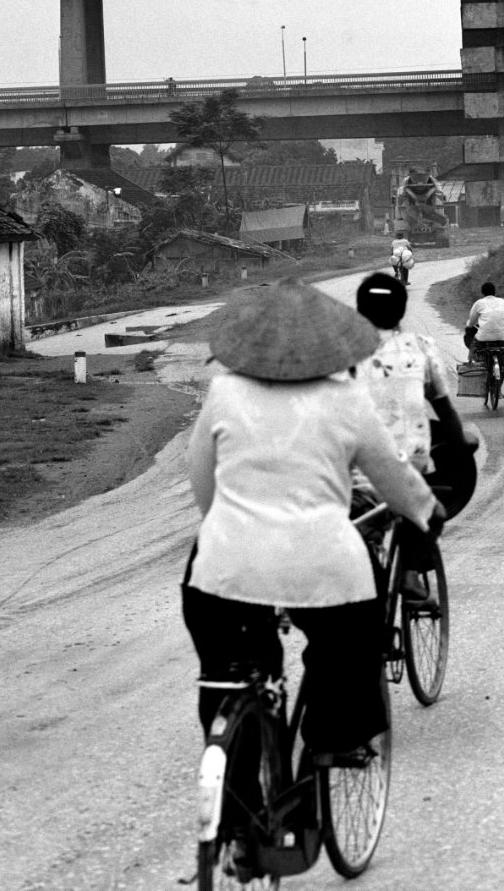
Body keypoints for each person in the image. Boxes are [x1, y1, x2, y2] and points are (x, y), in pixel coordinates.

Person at [182, 279, 441, 799]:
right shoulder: (346, 399)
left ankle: (239, 806)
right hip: (321, 563)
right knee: (349, 646)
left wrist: (224, 526)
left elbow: (201, 480)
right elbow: (393, 478)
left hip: (223, 568)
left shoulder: (223, 392)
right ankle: (332, 739)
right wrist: (424, 510)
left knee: (227, 673)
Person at [355, 272, 468, 600]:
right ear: (402, 311)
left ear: (360, 311)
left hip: (348, 470)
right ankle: (410, 573)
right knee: (431, 514)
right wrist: (460, 446)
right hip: (407, 466)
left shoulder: (340, 353)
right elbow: (445, 411)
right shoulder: (421, 347)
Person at [465, 280, 504, 389]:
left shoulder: (479, 303)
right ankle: (498, 388)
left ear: (483, 292)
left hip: (484, 339)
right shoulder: (502, 301)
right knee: (503, 361)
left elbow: (472, 321)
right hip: (503, 338)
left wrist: (469, 327)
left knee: (475, 346)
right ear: (494, 292)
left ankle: (482, 365)